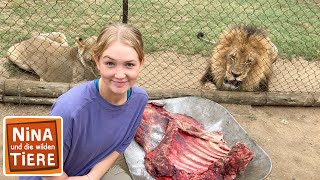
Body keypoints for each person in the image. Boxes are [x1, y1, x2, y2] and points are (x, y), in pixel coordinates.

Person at [19, 22, 148, 180]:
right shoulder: (70, 107)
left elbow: (120, 146)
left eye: (129, 64)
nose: (120, 75)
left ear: (140, 63)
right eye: (110, 63)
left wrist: (91, 177)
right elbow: (43, 165)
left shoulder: (139, 100)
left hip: (89, 170)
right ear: (96, 60)